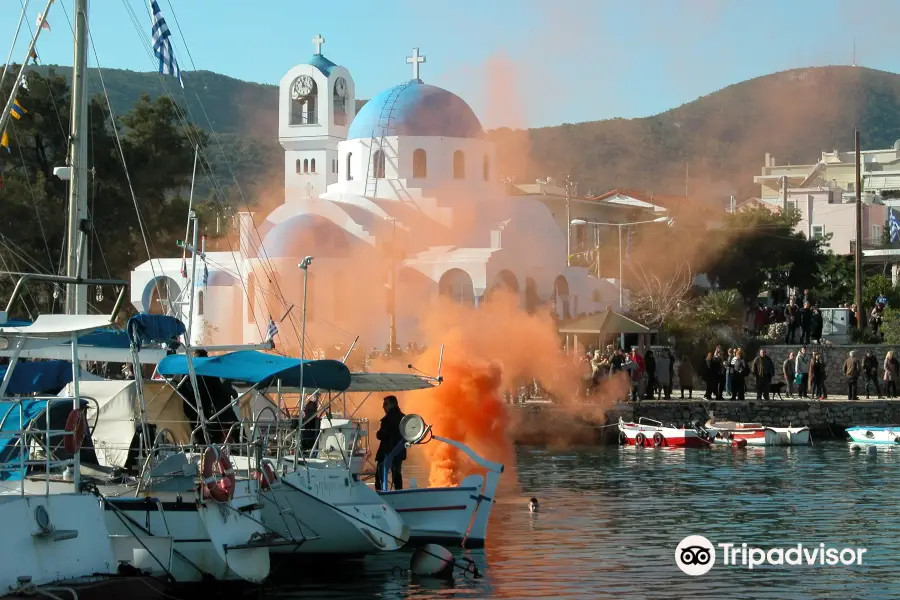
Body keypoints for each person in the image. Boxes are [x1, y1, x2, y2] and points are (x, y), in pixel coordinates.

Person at [177, 349, 238, 444]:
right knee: (205, 430)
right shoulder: (208, 371)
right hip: (204, 408)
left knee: (199, 430)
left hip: (194, 408)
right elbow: (218, 389)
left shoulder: (188, 371)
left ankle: (202, 444)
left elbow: (181, 389)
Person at [375, 395, 406, 491]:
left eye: (385, 404)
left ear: (393, 404)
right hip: (399, 451)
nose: (383, 406)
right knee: (397, 474)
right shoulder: (404, 418)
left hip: (386, 451)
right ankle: (399, 493)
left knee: (379, 476)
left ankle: (380, 495)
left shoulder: (387, 419)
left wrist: (378, 433)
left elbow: (381, 435)